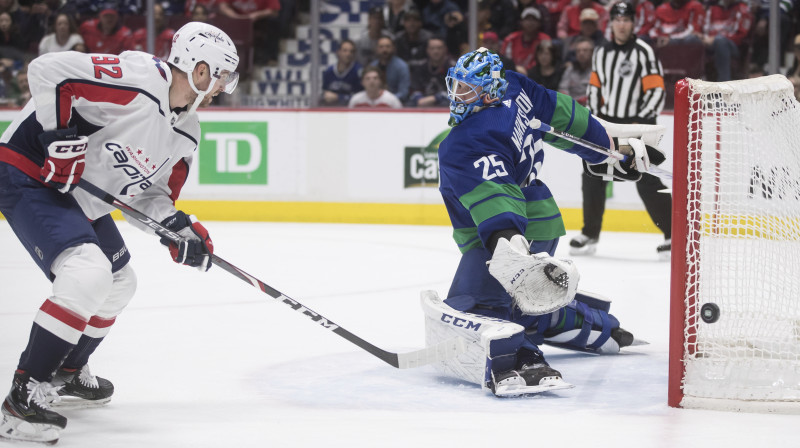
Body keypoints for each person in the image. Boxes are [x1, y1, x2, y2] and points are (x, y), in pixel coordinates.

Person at [0, 21, 239, 444]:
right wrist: (58, 139)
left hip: (79, 197)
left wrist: (177, 227)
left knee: (119, 284)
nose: (224, 85)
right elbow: (47, 70)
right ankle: (21, 400)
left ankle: (65, 373)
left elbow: (149, 197)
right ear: (199, 69)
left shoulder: (187, 131)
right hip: (28, 171)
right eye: (221, 74)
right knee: (87, 272)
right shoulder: (138, 78)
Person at [427, 47, 657, 397]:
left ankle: (522, 357)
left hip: (513, 236)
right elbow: (565, 117)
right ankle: (590, 324)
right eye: (455, 86)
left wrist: (511, 253)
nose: (456, 96)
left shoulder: (464, 141)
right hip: (542, 221)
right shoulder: (515, 87)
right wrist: (611, 151)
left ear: (488, 92)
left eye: (466, 90)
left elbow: (496, 197)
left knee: (476, 307)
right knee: (522, 298)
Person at [573, 2, 670, 258]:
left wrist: (639, 124)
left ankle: (673, 235)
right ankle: (589, 234)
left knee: (647, 180)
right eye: (618, 19)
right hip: (607, 126)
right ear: (611, 23)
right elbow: (594, 88)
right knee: (592, 174)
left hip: (636, 126)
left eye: (627, 19)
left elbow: (657, 91)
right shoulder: (601, 52)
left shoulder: (644, 51)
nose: (622, 24)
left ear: (633, 23)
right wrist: (596, 121)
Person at [702, 0, 751, 82]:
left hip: (734, 46)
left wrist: (716, 38)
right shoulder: (712, 9)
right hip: (711, 43)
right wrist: (704, 38)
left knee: (721, 42)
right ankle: (696, 82)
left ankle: (723, 82)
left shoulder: (743, 9)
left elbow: (741, 35)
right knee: (694, 41)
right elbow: (705, 30)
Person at [218, 0, 280, 65]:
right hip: (235, 19)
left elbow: (274, 11)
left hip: (259, 20)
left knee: (273, 23)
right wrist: (237, 17)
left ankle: (269, 58)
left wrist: (257, 15)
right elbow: (223, 7)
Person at [501, 7, 551, 77]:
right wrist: (516, 69)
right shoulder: (511, 39)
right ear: (521, 22)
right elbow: (505, 60)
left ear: (539, 23)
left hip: (536, 77)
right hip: (512, 75)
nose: (530, 22)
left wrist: (527, 72)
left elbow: (545, 61)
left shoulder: (544, 39)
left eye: (534, 19)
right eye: (527, 19)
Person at [407, 37, 453, 107]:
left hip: (444, 102)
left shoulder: (453, 68)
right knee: (410, 104)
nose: (436, 51)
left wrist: (436, 98)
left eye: (439, 48)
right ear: (427, 50)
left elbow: (456, 92)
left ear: (445, 49)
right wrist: (419, 99)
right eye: (432, 48)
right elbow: (414, 88)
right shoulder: (420, 67)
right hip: (423, 101)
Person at [321, 39, 363, 106]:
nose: (348, 54)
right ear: (338, 52)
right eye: (345, 51)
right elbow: (324, 93)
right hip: (332, 110)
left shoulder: (358, 71)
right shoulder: (329, 71)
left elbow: (362, 97)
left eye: (351, 51)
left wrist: (338, 97)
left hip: (352, 110)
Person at [369, 36, 410, 103]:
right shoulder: (372, 67)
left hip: (396, 104)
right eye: (381, 47)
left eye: (388, 46)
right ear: (376, 49)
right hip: (374, 103)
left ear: (393, 48)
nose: (384, 50)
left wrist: (388, 100)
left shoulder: (402, 66)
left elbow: (403, 92)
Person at [558, 36, 593, 105]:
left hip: (589, 106)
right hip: (570, 105)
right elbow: (562, 88)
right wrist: (569, 101)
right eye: (578, 51)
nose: (581, 53)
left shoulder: (597, 70)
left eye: (585, 50)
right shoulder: (570, 68)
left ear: (592, 52)